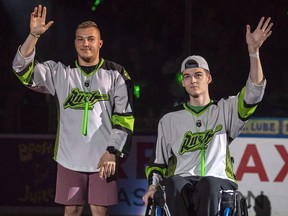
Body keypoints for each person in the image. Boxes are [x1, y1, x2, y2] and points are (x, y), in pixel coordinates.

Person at [143, 16, 273, 216]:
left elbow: (254, 91)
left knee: (208, 183)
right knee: (174, 183)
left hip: (217, 181)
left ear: (209, 78)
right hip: (182, 181)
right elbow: (158, 163)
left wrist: (253, 52)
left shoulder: (225, 109)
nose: (193, 80)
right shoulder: (169, 119)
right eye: (187, 77)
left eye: (198, 75)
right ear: (183, 83)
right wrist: (152, 187)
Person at [12, 5, 134, 216]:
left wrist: (112, 151)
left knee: (99, 212)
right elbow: (21, 70)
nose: (85, 43)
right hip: (69, 158)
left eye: (90, 39)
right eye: (80, 39)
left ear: (100, 43)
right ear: (74, 43)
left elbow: (125, 118)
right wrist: (33, 35)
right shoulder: (61, 72)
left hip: (103, 158)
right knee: (71, 212)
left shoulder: (117, 74)